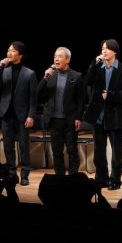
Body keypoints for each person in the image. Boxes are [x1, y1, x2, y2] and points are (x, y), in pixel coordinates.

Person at [83, 39, 122, 190]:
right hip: (98, 115)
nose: (104, 51)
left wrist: (110, 96)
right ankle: (101, 179)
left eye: (107, 49)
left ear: (115, 51)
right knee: (99, 151)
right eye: (102, 48)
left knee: (117, 152)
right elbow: (87, 81)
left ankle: (115, 180)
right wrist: (94, 64)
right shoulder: (98, 67)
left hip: (116, 115)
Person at [0, 41, 37, 186]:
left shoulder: (29, 73)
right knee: (8, 146)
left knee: (24, 146)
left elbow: (33, 98)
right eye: (8, 50)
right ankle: (12, 174)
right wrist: (0, 68)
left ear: (20, 54)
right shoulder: (4, 70)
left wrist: (31, 115)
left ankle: (25, 175)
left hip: (22, 116)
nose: (9, 53)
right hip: (6, 114)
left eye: (13, 51)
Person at [37, 47, 86, 176]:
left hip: (70, 120)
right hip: (53, 120)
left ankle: (73, 177)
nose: (56, 59)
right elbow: (38, 93)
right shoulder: (50, 75)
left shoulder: (76, 76)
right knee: (57, 151)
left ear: (68, 59)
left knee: (72, 150)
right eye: (55, 57)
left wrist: (78, 117)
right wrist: (45, 77)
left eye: (60, 56)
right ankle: (60, 178)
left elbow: (81, 100)